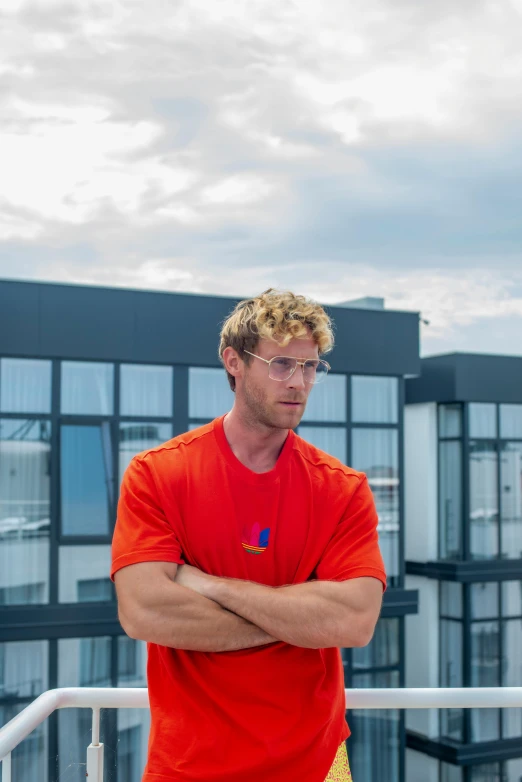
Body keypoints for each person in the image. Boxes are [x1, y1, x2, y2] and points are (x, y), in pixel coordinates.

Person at [111, 288, 387, 782]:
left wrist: (210, 586)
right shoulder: (158, 473)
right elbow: (143, 611)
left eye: (310, 367)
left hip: (317, 763)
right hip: (189, 766)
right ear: (234, 362)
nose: (298, 382)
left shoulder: (342, 489)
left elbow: (354, 623)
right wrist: (299, 622)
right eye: (281, 364)